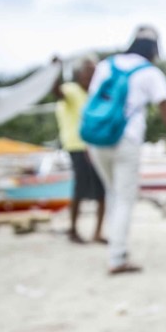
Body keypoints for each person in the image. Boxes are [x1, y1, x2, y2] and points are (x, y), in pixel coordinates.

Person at [87, 26, 166, 275]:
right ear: (154, 48)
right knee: (124, 198)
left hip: (96, 139)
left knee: (113, 193)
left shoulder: (106, 65)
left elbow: (91, 101)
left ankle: (115, 246)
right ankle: (117, 257)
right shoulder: (149, 72)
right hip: (126, 140)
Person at [54, 56, 106, 244]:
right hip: (76, 146)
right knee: (80, 189)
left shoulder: (95, 92)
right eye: (89, 70)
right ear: (79, 73)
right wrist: (55, 71)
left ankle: (98, 232)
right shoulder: (71, 89)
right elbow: (56, 92)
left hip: (96, 146)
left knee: (102, 191)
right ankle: (73, 230)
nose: (93, 74)